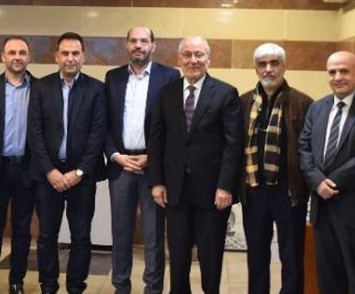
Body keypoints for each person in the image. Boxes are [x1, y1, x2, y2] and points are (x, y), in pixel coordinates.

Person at [147, 36, 242, 294]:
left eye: (199, 54)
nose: (193, 60)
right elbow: (156, 141)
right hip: (175, 192)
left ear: (208, 58)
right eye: (187, 54)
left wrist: (225, 186)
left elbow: (233, 145)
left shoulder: (225, 93)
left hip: (212, 194)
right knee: (178, 259)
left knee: (210, 259)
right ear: (179, 59)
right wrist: (157, 182)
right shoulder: (166, 93)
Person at [298, 50, 355, 294]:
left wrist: (332, 182)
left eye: (344, 71)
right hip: (323, 209)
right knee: (328, 277)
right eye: (332, 72)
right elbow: (304, 149)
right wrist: (317, 182)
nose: (338, 77)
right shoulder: (317, 108)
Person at [27, 32, 106, 294]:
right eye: (65, 53)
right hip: (48, 176)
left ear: (83, 56)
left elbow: (97, 135)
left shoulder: (96, 89)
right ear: (56, 57)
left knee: (81, 236)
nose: (70, 58)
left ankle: (75, 287)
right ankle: (48, 287)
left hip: (82, 177)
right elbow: (35, 132)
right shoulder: (41, 87)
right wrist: (50, 171)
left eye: (75, 53)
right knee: (46, 236)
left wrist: (79, 171)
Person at [103, 25, 179, 294]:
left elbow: (173, 125)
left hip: (152, 168)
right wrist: (115, 155)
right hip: (120, 165)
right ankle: (120, 287)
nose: (138, 45)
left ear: (153, 46)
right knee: (120, 233)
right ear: (126, 45)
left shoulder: (170, 76)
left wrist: (152, 157)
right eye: (133, 40)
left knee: (154, 236)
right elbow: (105, 123)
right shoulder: (112, 77)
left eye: (144, 41)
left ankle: (153, 289)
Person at [239, 43, 313, 294]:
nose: (268, 69)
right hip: (254, 191)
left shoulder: (303, 103)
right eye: (262, 64)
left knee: (292, 256)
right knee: (256, 256)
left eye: (274, 63)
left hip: (289, 192)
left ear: (284, 66)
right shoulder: (243, 102)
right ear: (256, 68)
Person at [0, 36, 38, 294]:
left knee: (22, 229)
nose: (17, 57)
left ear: (29, 57)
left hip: (27, 170)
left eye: (22, 52)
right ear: (3, 57)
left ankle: (16, 282)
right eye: (12, 52)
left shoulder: (41, 88)